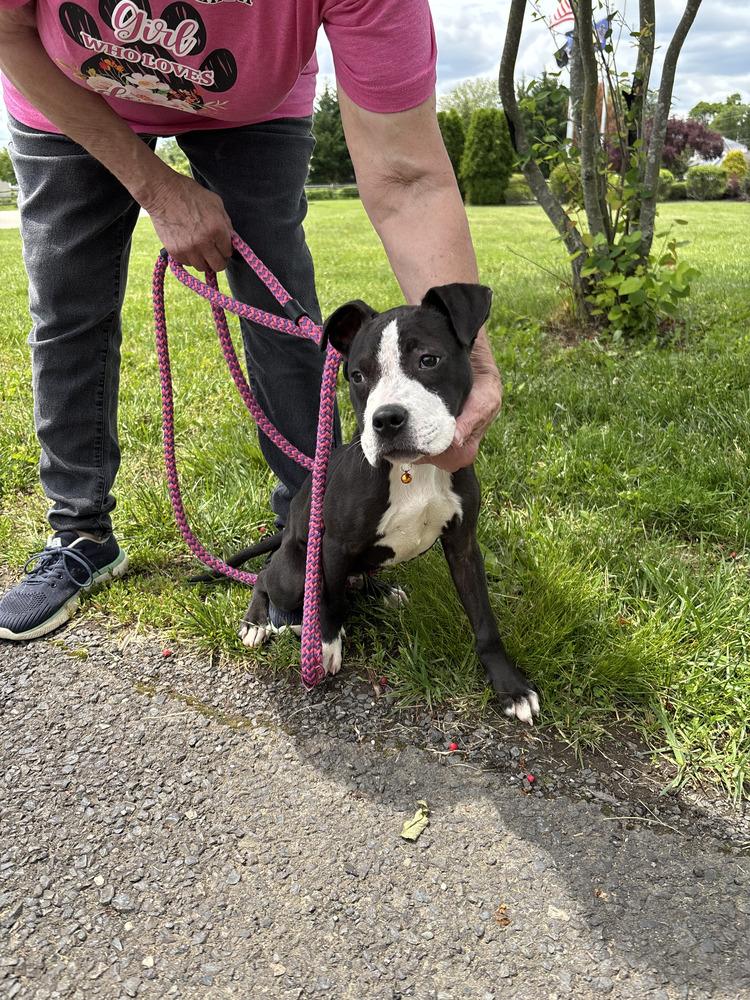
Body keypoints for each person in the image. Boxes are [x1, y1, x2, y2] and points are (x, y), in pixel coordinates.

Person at [0, 0, 502, 642]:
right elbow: (8, 30)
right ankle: (79, 533)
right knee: (69, 309)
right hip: (67, 89)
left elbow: (408, 178)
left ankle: (314, 533)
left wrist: (475, 359)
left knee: (281, 315)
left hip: (251, 109)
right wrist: (157, 190)